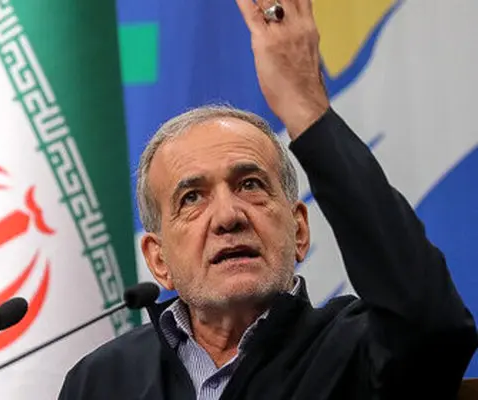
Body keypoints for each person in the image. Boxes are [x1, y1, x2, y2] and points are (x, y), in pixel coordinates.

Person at [58, 0, 478, 398]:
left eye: (250, 186)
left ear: (299, 230)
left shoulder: (354, 351)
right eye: (192, 198)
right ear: (158, 259)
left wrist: (306, 109)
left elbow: (434, 326)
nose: (228, 216)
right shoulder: (102, 380)